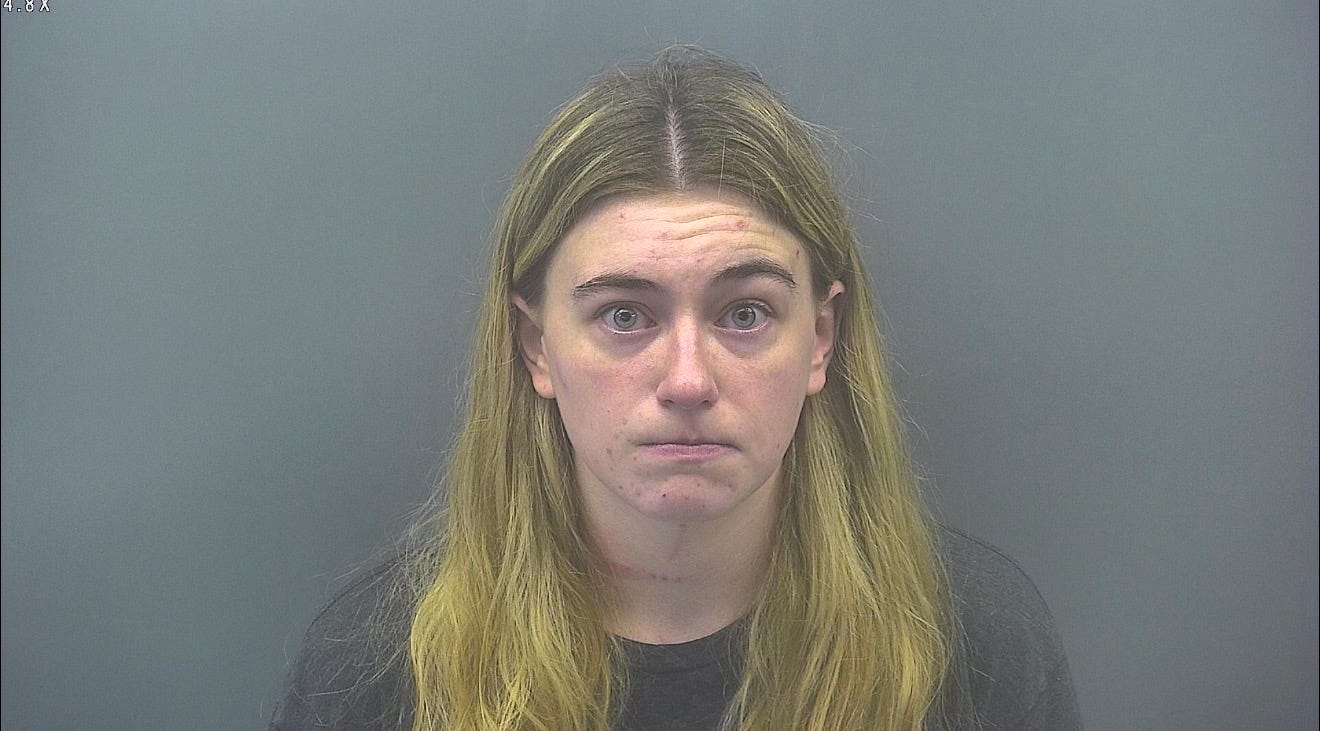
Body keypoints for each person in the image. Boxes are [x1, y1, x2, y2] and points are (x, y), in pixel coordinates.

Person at [271, 46, 1080, 730]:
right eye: (625, 315)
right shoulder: (374, 676)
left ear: (821, 338)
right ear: (536, 346)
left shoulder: (977, 648)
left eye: (745, 313)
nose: (688, 379)